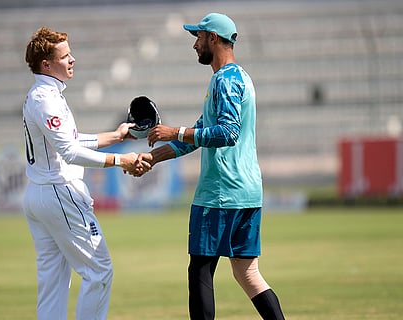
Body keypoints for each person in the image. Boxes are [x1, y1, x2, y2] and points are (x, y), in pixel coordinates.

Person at [134, 13, 286, 319]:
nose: (195, 45)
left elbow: (226, 134)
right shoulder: (238, 78)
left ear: (213, 39)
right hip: (247, 192)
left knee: (200, 271)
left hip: (220, 193)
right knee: (247, 273)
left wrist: (174, 130)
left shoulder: (224, 80)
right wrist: (153, 158)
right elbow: (197, 136)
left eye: (198, 38)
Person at [22, 27, 147, 320]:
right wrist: (120, 161)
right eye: (65, 56)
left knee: (53, 283)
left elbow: (70, 141)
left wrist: (115, 136)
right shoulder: (46, 99)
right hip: (59, 192)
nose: (72, 60)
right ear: (46, 65)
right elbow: (69, 152)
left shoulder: (44, 93)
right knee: (99, 271)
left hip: (40, 193)